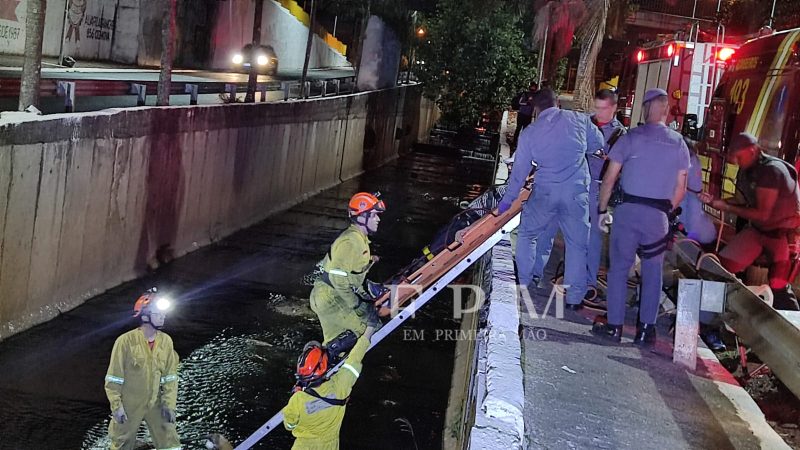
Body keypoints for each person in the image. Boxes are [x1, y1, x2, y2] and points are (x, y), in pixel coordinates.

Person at [593, 88, 689, 345]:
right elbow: (681, 188)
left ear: (645, 110)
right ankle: (646, 330)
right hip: (658, 217)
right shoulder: (678, 143)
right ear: (666, 111)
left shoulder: (631, 137)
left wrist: (602, 210)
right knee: (653, 271)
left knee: (619, 270)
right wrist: (665, 211)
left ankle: (614, 327)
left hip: (627, 213)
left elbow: (610, 178)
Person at [498, 88, 604, 310]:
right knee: (576, 245)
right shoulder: (579, 120)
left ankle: (525, 283)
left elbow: (518, 174)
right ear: (558, 102)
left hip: (545, 193)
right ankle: (574, 298)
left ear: (536, 108)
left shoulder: (530, 133)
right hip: (576, 194)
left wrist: (506, 202)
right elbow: (598, 143)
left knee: (528, 234)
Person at [699, 132, 800, 311]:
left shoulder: (772, 171)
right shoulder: (749, 170)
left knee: (779, 286)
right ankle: (713, 317)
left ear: (753, 151)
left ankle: (792, 330)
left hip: (780, 236)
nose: (736, 162)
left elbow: (763, 213)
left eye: (739, 156)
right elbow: (741, 199)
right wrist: (716, 200)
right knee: (721, 268)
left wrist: (727, 207)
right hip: (758, 231)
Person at [105, 288, 181, 450]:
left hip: (155, 401)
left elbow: (170, 377)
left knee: (169, 441)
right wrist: (117, 407)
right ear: (145, 315)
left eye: (163, 314)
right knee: (122, 443)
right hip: (129, 404)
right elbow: (114, 377)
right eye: (158, 313)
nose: (163, 317)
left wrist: (169, 404)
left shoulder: (166, 341)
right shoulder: (125, 342)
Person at [283, 325, 376, 449]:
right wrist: (369, 330)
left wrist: (296, 395)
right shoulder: (341, 385)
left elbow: (289, 426)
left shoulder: (298, 400)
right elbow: (355, 358)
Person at [311, 192, 385, 344]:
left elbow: (351, 268)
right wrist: (357, 304)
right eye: (373, 215)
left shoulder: (359, 239)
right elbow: (338, 279)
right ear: (361, 217)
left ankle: (318, 364)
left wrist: (370, 261)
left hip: (327, 296)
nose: (378, 219)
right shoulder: (350, 242)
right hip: (331, 298)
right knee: (372, 329)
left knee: (334, 343)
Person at [583, 89, 627, 306]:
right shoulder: (587, 123)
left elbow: (620, 167)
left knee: (594, 238)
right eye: (596, 107)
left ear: (614, 109)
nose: (598, 113)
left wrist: (606, 157)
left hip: (599, 189)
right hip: (578, 184)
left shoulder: (620, 135)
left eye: (603, 109)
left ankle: (589, 282)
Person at [510, 81, 539, 152]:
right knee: (518, 128)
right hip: (522, 114)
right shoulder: (525, 94)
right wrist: (526, 103)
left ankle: (521, 144)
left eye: (534, 87)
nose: (533, 88)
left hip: (528, 115)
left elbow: (535, 106)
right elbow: (520, 102)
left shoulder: (536, 96)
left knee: (525, 131)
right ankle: (514, 143)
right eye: (532, 86)